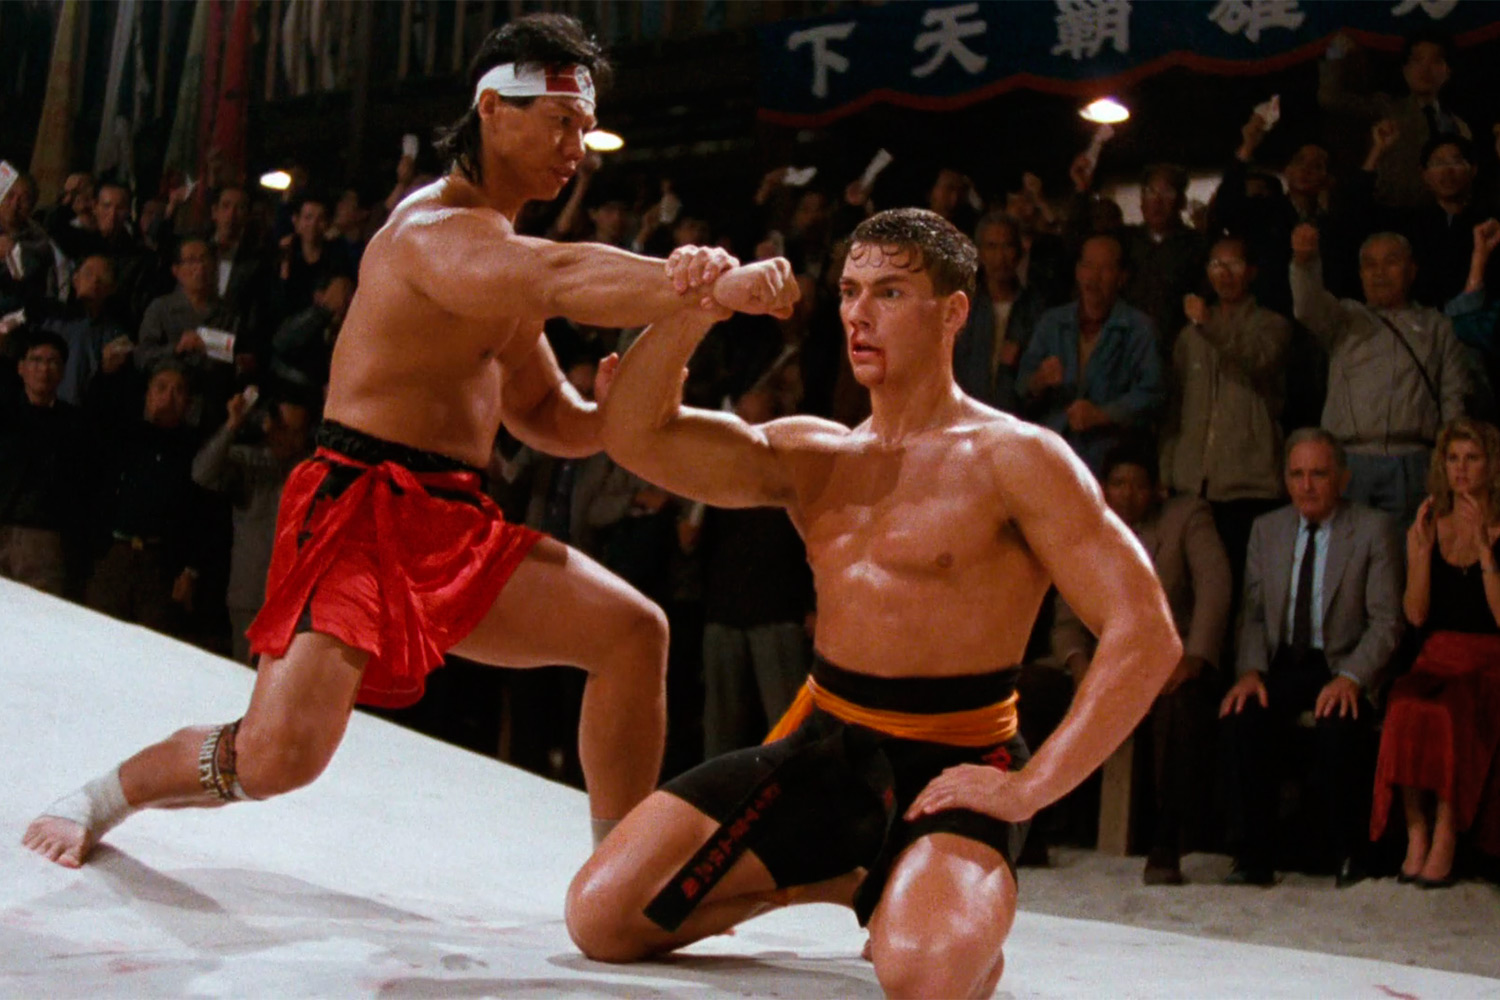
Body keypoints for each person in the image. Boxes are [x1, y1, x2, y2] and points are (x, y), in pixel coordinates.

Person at [23, 12, 797, 869]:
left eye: (584, 127)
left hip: (453, 516)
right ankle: (104, 796)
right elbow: (558, 276)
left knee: (632, 632)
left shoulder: (500, 256)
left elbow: (547, 415)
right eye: (560, 121)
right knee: (279, 756)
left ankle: (619, 877)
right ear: (492, 111)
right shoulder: (432, 231)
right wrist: (699, 282)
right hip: (356, 507)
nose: (575, 147)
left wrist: (607, 411)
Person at [565, 208, 1181, 998]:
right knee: (602, 917)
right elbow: (634, 436)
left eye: (889, 292)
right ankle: (829, 879)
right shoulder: (814, 455)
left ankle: (910, 906)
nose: (859, 312)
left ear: (953, 313)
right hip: (823, 746)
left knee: (923, 977)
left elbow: (1146, 633)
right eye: (851, 291)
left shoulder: (1016, 458)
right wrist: (700, 305)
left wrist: (1032, 788)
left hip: (958, 759)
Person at [1220, 428, 1404, 888]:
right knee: (1243, 713)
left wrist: (1352, 677)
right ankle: (1253, 857)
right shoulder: (1267, 530)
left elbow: (1387, 622)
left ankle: (1348, 855)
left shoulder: (1374, 530)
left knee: (1340, 722)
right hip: (1283, 661)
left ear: (1342, 478)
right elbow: (1253, 615)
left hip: (1342, 661)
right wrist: (1250, 671)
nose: (1306, 486)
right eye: (1297, 474)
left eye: (1318, 474)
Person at [1052, 441, 1231, 885]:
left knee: (1181, 708)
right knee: (1031, 690)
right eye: (1118, 483)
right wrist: (1079, 666)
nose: (1127, 494)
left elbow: (1215, 587)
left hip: (1170, 661)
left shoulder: (1187, 518)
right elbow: (1066, 616)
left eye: (1138, 485)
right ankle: (1030, 832)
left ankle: (1166, 842)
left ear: (1156, 490)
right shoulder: (1084, 525)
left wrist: (1193, 658)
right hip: (1106, 662)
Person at [1372, 417, 1500, 886]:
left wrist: (1486, 555)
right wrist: (1420, 556)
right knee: (1404, 705)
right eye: (1453, 459)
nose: (1461, 469)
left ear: (1491, 466)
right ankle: (1416, 830)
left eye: (1472, 459)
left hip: (1489, 661)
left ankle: (1447, 829)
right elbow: (1416, 614)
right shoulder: (1430, 523)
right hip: (1437, 656)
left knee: (1450, 712)